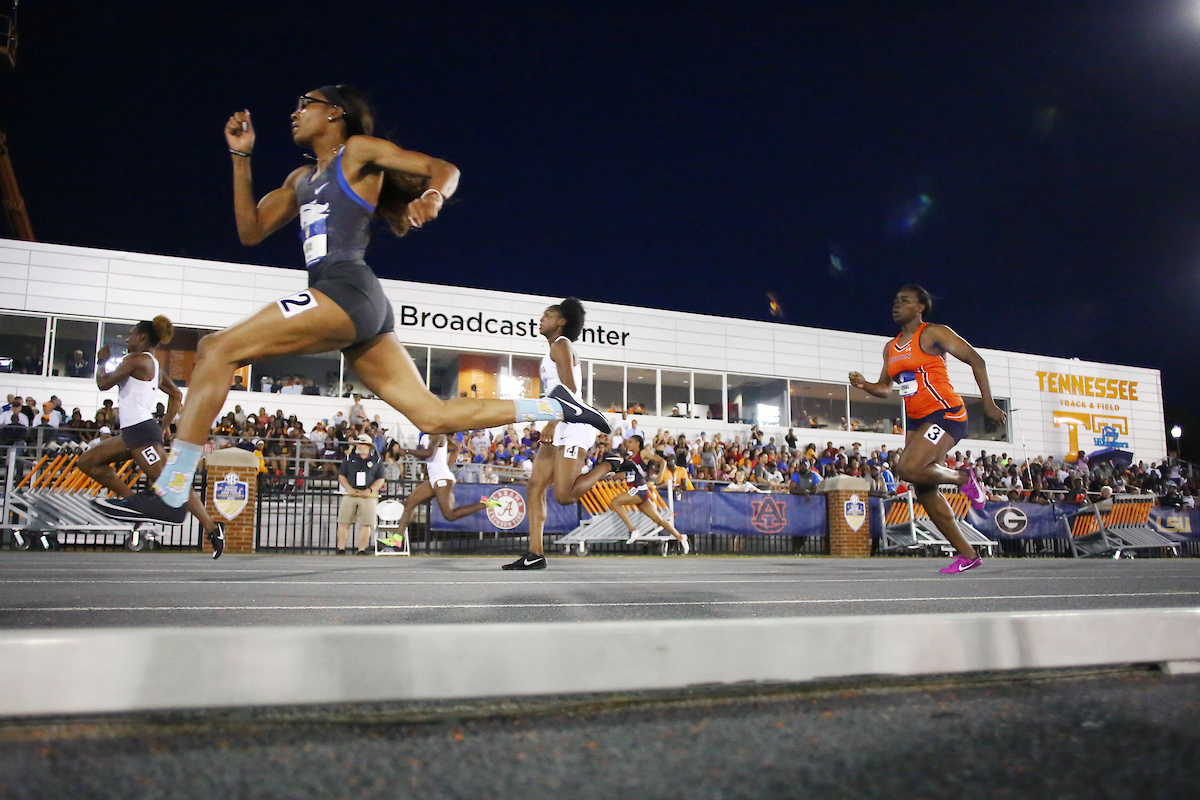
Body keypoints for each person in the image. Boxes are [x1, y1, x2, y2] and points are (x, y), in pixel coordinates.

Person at [97, 85, 609, 526]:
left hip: (346, 289)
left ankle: (172, 490)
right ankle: (556, 405)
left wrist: (431, 197)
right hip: (358, 307)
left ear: (334, 113)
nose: (295, 112)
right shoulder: (299, 181)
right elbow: (250, 230)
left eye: (306, 103)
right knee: (432, 416)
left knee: (215, 349)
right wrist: (240, 156)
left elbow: (443, 169)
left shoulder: (357, 152)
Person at [849, 284, 1006, 574]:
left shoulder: (933, 333)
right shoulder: (891, 347)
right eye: (895, 301)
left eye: (905, 301)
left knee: (907, 468)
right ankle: (967, 555)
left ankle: (963, 477)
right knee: (924, 490)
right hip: (916, 421)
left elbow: (976, 360)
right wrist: (864, 385)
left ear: (920, 307)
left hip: (946, 413)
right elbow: (884, 388)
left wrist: (989, 404)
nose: (896, 305)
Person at [87, 317, 225, 557]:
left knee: (172, 483)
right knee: (88, 462)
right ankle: (133, 503)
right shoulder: (154, 367)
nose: (127, 340)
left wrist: (101, 360)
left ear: (141, 337)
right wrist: (164, 425)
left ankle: (212, 527)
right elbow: (176, 395)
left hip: (141, 432)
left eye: (131, 335)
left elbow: (103, 383)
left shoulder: (136, 360)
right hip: (134, 433)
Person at [504, 299, 621, 570]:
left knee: (564, 496)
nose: (541, 318)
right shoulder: (552, 350)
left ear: (562, 322)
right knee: (535, 487)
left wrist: (552, 424)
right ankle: (535, 553)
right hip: (557, 421)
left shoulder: (561, 345)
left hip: (572, 424)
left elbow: (570, 390)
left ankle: (609, 465)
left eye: (548, 315)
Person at [384, 432, 501, 549]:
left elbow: (429, 453)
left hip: (442, 478)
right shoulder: (427, 437)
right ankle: (397, 539)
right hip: (434, 478)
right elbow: (456, 448)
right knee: (410, 503)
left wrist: (407, 451)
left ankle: (485, 503)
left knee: (449, 515)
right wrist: (445, 466)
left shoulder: (438, 435)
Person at [336, 434, 386, 554]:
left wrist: (370, 490)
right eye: (358, 444)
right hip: (351, 492)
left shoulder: (376, 460)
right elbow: (341, 475)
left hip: (368, 495)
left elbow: (381, 479)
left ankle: (362, 549)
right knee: (344, 521)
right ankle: (341, 548)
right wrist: (348, 488)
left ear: (368, 446)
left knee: (366, 523)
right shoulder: (349, 458)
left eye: (362, 444)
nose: (359, 446)